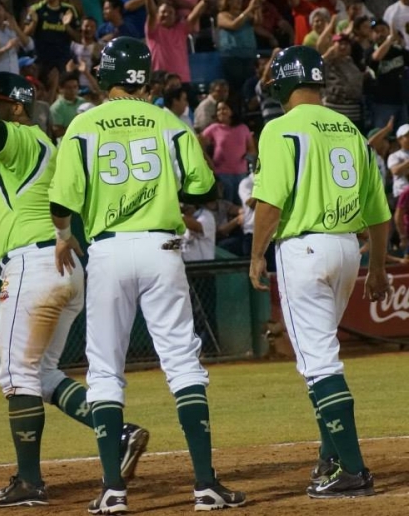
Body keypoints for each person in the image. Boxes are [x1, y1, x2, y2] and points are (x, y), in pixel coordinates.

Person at [0, 37, 150, 509]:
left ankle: (29, 482)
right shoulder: (5, 150)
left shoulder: (24, 137)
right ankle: (119, 432)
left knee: (16, 376)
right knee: (43, 372)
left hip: (34, 265)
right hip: (57, 266)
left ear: (15, 108)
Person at [49, 36, 245, 514]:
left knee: (104, 370)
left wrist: (60, 233)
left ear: (105, 73)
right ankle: (205, 485)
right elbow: (202, 186)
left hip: (109, 250)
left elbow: (61, 202)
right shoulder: (166, 120)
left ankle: (113, 490)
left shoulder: (84, 123)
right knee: (182, 362)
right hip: (162, 247)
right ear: (145, 77)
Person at [249, 45, 391, 499]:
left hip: (304, 249)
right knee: (323, 355)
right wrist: (379, 268)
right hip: (349, 250)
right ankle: (330, 458)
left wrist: (256, 255)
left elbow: (269, 203)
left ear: (286, 84)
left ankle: (351, 470)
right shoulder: (351, 129)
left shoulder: (279, 128)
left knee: (319, 363)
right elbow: (380, 212)